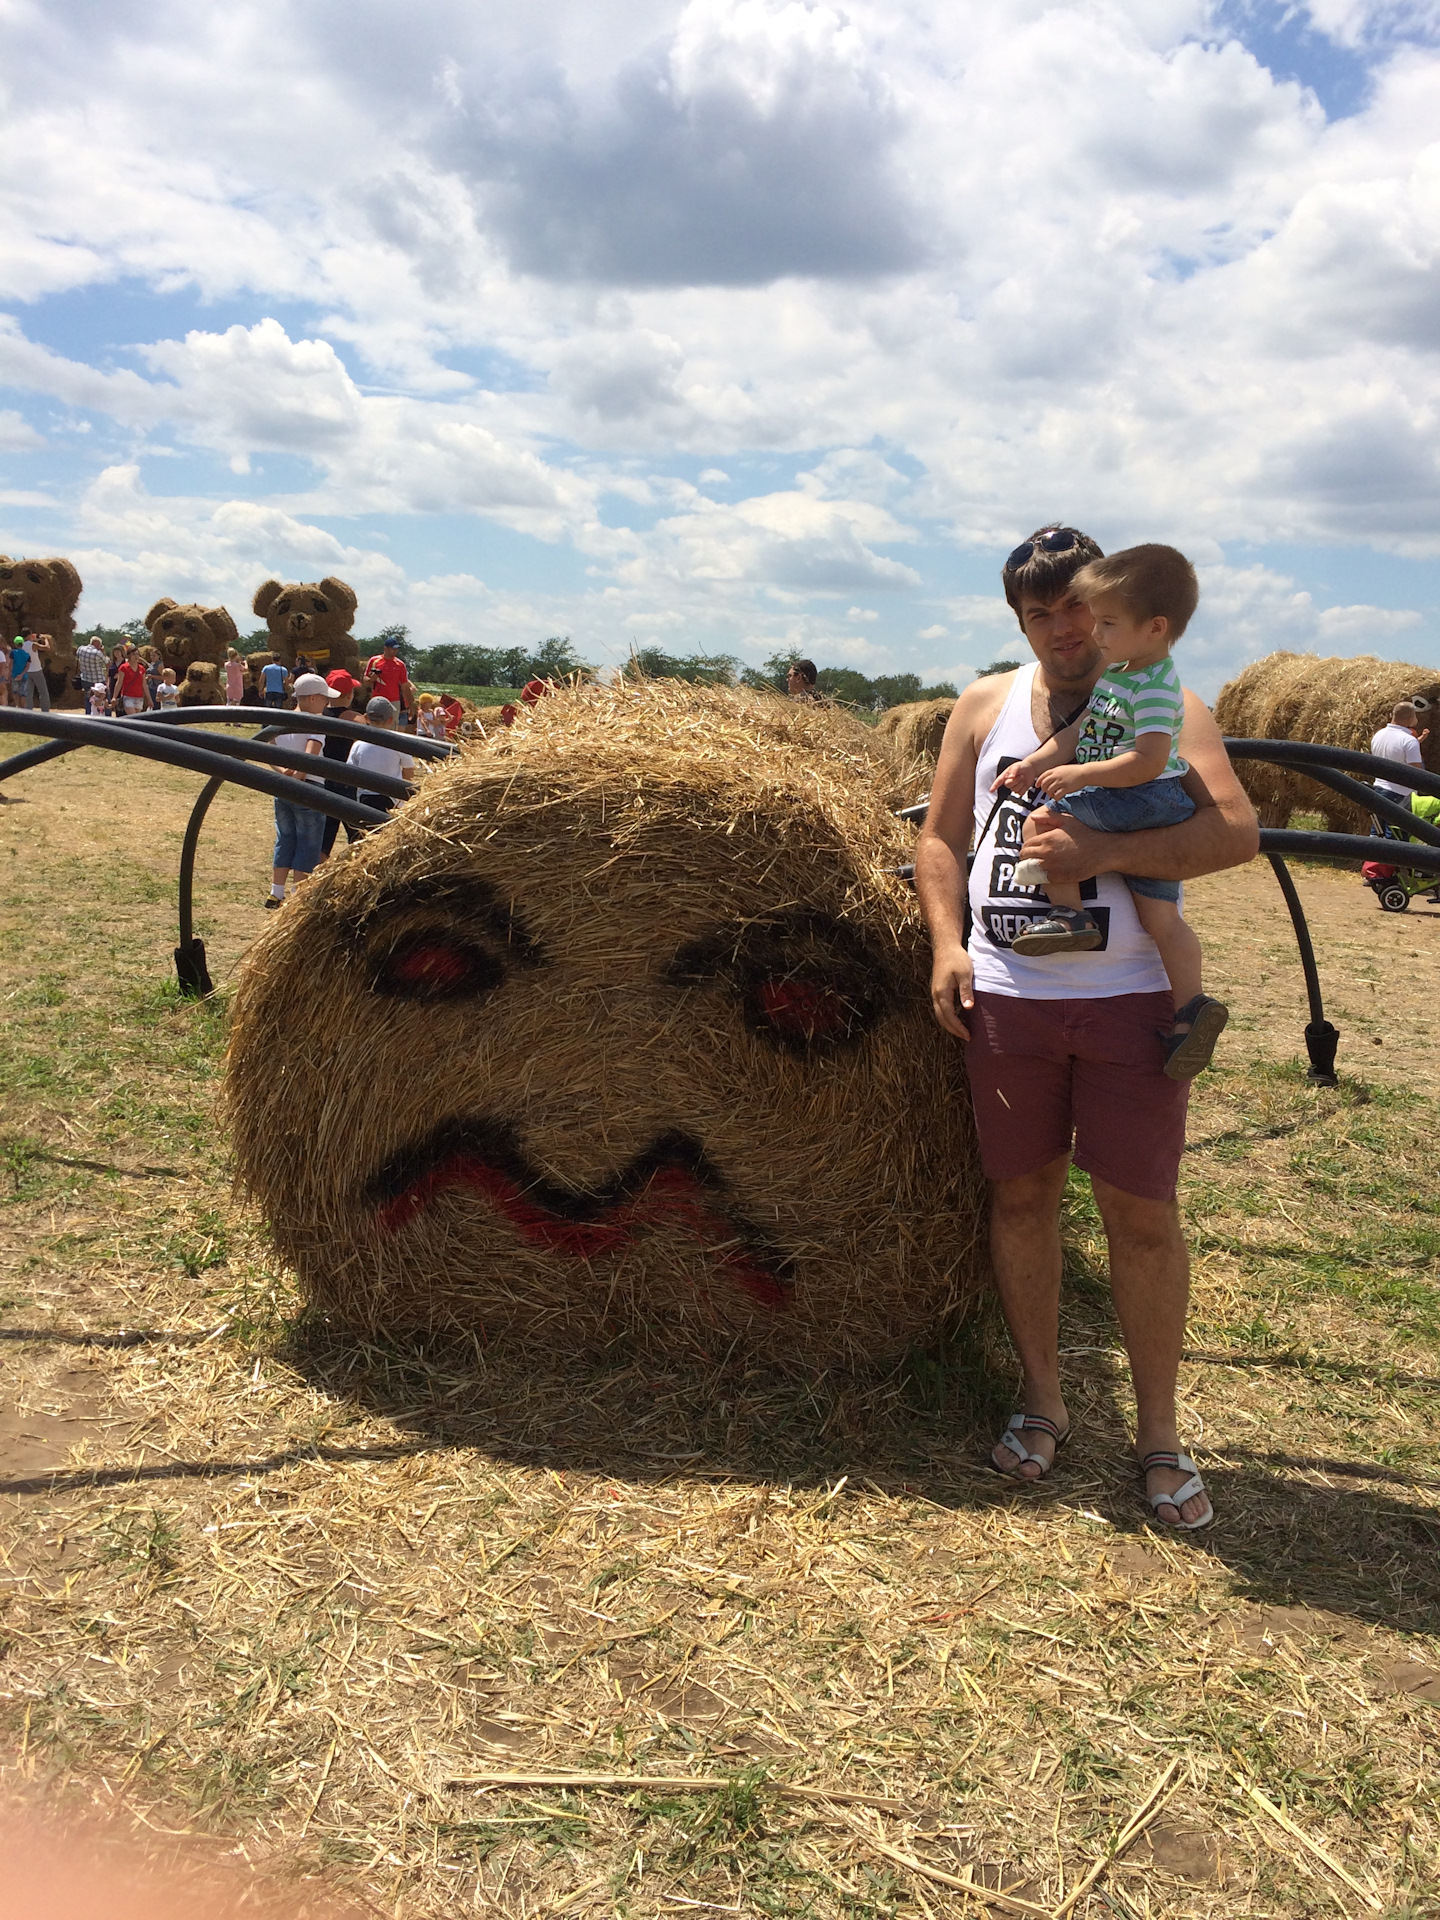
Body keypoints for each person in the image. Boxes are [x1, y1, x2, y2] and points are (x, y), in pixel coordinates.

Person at [915, 524, 1258, 1530]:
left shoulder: (1165, 702)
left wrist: (1095, 858)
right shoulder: (984, 706)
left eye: (1080, 607)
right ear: (1018, 620)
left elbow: (1232, 829)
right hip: (1011, 999)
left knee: (1141, 1219)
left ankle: (1160, 1437)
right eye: (1041, 613)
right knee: (1021, 1203)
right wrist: (947, 945)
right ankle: (1042, 1399)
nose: (1065, 630)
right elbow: (938, 839)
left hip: (1128, 1003)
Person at [993, 544, 1228, 1079]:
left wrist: (1079, 775)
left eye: (1106, 622)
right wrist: (1033, 762)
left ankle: (1070, 917)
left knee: (1042, 821)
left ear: (1154, 627)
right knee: (1161, 919)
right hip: (1144, 803)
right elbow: (1079, 734)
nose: (1095, 634)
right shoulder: (1123, 676)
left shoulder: (1153, 689)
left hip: (1139, 796)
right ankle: (1192, 1008)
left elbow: (1145, 761)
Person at [267, 672, 332, 906]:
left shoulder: (281, 719)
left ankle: (276, 891)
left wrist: (282, 771)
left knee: (285, 837)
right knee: (309, 841)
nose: (327, 704)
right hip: (308, 785)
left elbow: (269, 746)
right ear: (313, 698)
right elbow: (311, 750)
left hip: (282, 785)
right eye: (325, 699)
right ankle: (298, 897)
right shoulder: (315, 721)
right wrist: (300, 775)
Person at [345, 696, 414, 822]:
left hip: (364, 798)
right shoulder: (399, 743)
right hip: (392, 798)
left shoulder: (358, 744)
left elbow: (350, 772)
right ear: (391, 720)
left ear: (366, 718)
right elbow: (409, 772)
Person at [318, 669, 362, 858]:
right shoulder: (356, 719)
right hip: (348, 779)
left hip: (322, 777)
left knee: (324, 836)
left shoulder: (317, 716)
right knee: (358, 834)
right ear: (349, 695)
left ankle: (315, 874)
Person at [1371, 702, 1428, 807]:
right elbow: (1417, 773)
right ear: (1410, 718)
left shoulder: (1378, 735)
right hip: (1401, 795)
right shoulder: (1409, 740)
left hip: (1378, 789)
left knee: (1380, 823)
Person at [363, 635, 411, 722]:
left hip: (393, 701)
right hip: (376, 699)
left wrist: (411, 704)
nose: (395, 651)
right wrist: (371, 679)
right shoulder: (374, 661)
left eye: (396, 649)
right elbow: (365, 679)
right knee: (375, 725)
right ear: (386, 648)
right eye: (393, 648)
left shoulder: (400, 664)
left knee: (392, 727)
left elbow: (405, 685)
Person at [14, 632, 51, 712]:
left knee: (28, 693)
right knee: (43, 691)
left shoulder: (21, 646)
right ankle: (45, 710)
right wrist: (45, 639)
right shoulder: (33, 644)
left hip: (26, 671)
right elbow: (47, 647)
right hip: (36, 670)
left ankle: (29, 711)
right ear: (28, 635)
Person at [114, 646, 149, 716]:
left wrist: (149, 699)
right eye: (133, 654)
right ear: (129, 656)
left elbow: (144, 685)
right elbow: (119, 682)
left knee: (137, 718)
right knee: (133, 716)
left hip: (139, 697)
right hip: (128, 696)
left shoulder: (142, 669)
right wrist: (114, 697)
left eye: (137, 654)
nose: (136, 656)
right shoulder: (123, 667)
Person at [76, 632, 108, 699]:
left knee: (88, 698)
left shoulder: (80, 649)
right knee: (104, 698)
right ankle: (106, 710)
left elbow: (77, 655)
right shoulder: (97, 653)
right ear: (98, 644)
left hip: (85, 679)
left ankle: (88, 709)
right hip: (98, 680)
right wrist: (103, 652)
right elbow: (106, 662)